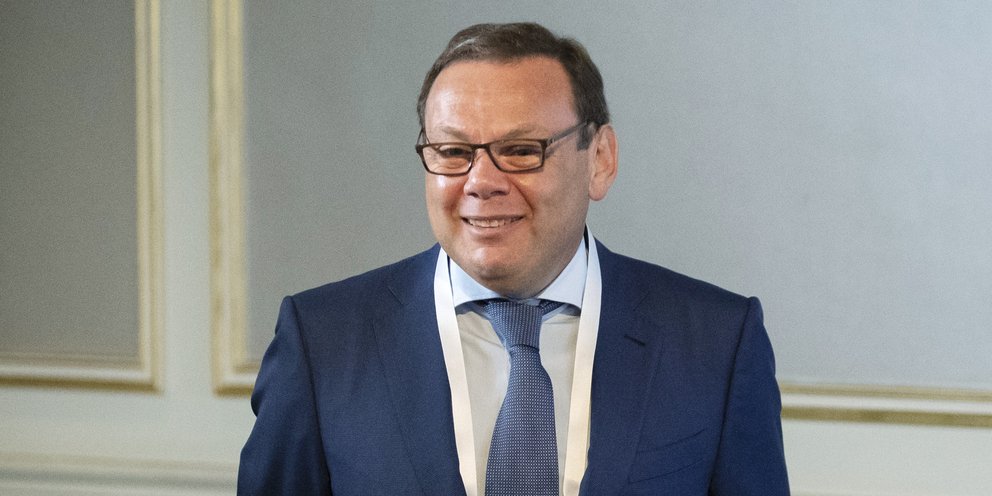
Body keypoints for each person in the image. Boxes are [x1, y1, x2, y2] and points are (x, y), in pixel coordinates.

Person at [238, 22, 789, 495]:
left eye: (521, 151)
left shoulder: (716, 344)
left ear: (600, 159)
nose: (481, 182)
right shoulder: (322, 343)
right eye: (453, 152)